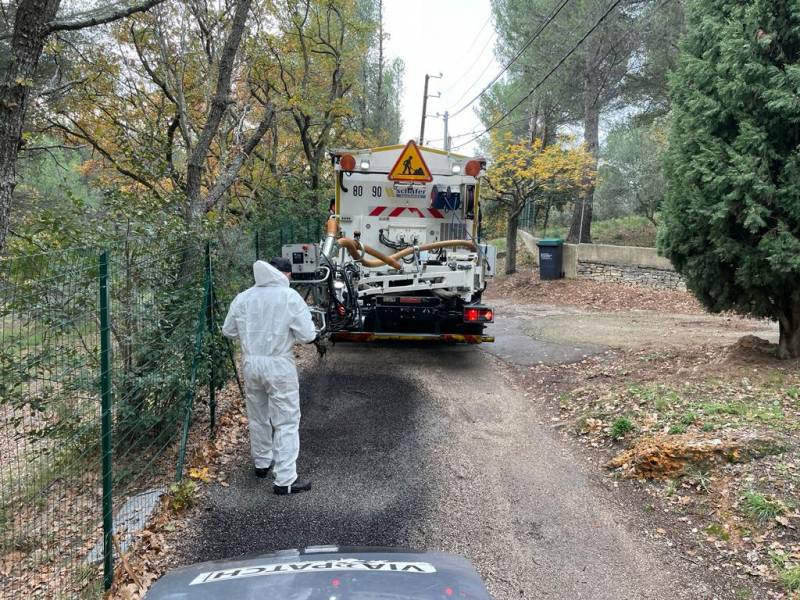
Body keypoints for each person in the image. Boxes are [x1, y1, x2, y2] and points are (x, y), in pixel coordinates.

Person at [222, 257, 317, 495]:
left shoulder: (243, 297)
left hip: (251, 362)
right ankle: (285, 480)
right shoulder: (289, 297)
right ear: (286, 275)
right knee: (285, 420)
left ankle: (262, 463)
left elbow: (228, 330)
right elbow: (307, 335)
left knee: (258, 415)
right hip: (278, 364)